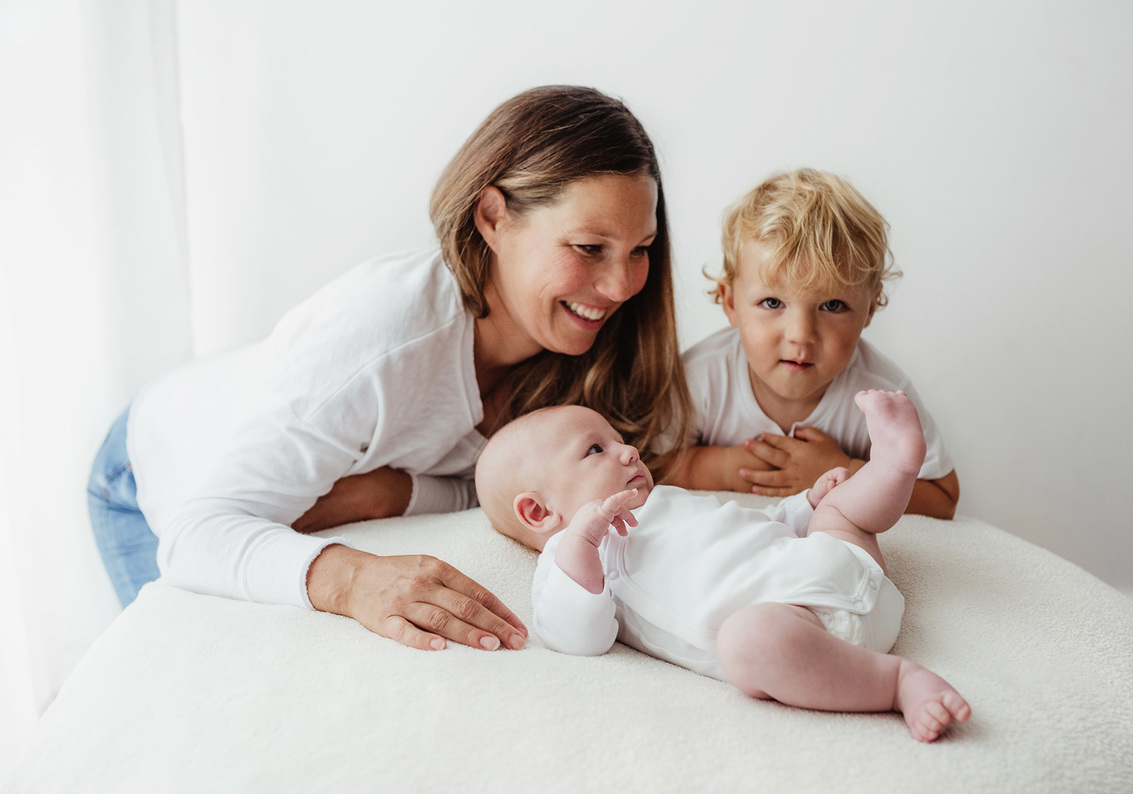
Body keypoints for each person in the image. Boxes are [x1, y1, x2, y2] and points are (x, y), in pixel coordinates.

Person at [86, 85, 691, 654]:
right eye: (589, 248)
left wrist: (386, 493)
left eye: (639, 249)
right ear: (493, 219)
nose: (620, 285)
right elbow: (197, 536)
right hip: (154, 471)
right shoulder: (384, 338)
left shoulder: (590, 349)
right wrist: (351, 579)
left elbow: (487, 485)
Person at [475, 392, 971, 742]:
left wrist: (807, 504)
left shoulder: (666, 499)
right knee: (747, 642)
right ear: (538, 513)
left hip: (832, 565)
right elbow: (581, 637)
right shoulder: (569, 559)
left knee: (840, 509)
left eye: (618, 438)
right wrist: (583, 540)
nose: (629, 449)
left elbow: (755, 522)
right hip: (800, 628)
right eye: (595, 450)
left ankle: (893, 466)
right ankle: (896, 682)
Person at [670, 168, 959, 518]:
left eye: (832, 306)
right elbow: (646, 464)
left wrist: (847, 472)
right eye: (773, 303)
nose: (800, 334)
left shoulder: (882, 395)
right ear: (730, 302)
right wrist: (721, 468)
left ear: (869, 308)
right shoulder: (700, 377)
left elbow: (943, 497)